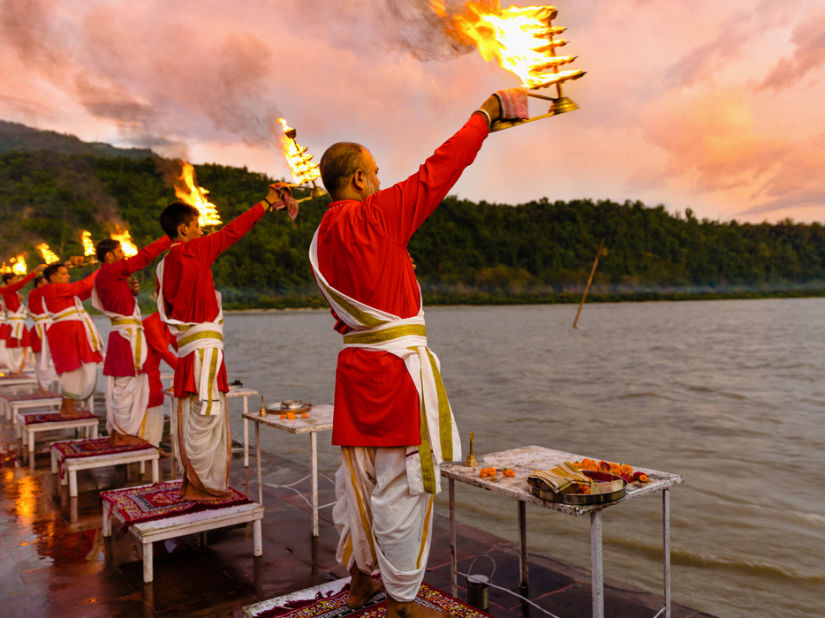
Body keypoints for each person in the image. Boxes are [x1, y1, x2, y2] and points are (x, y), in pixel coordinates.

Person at [309, 89, 529, 616]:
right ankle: (403, 602)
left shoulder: (319, 237)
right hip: (394, 376)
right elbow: (441, 168)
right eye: (376, 173)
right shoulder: (376, 217)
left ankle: (362, 581)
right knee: (404, 489)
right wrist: (486, 113)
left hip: (354, 372)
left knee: (358, 485)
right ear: (360, 179)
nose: (382, 182)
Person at [156, 183, 297, 501]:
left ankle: (192, 482)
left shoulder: (163, 265)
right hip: (203, 352)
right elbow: (234, 230)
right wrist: (265, 202)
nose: (201, 229)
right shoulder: (193, 250)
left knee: (194, 416)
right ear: (184, 229)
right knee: (207, 417)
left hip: (191, 349)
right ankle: (201, 487)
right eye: (196, 225)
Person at [92, 235, 172, 446]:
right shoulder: (110, 270)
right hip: (126, 338)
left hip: (123, 336)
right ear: (109, 255)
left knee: (126, 386)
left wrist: (130, 292)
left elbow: (119, 302)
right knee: (125, 386)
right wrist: (169, 238)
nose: (123, 256)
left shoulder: (106, 274)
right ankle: (121, 434)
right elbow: (144, 257)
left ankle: (121, 432)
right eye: (119, 252)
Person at [41, 262, 102, 417]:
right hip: (65, 333)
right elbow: (81, 286)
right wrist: (103, 269)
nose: (68, 276)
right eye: (63, 273)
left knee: (74, 368)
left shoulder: (62, 291)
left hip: (69, 332)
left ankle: (67, 407)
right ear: (53, 277)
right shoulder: (54, 288)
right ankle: (67, 409)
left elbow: (84, 291)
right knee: (71, 369)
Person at [142, 311, 178, 449]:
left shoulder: (169, 323)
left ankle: (153, 445)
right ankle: (145, 447)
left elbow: (180, 346)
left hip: (153, 373)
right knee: (149, 403)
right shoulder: (152, 323)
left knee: (158, 402)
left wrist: (196, 366)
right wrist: (185, 371)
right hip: (141, 373)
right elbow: (164, 351)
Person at [0, 266, 44, 374]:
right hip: (14, 324)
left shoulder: (14, 293)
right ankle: (13, 369)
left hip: (20, 323)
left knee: (23, 345)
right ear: (9, 281)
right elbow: (21, 283)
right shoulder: (8, 290)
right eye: (15, 279)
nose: (17, 281)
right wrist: (34, 272)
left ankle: (18, 369)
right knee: (13, 347)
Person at [27, 275, 58, 391]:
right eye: (46, 282)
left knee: (51, 359)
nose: (48, 285)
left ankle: (44, 387)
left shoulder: (45, 296)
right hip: (41, 329)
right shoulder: (34, 294)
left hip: (49, 328)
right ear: (39, 284)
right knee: (41, 359)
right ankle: (42, 387)